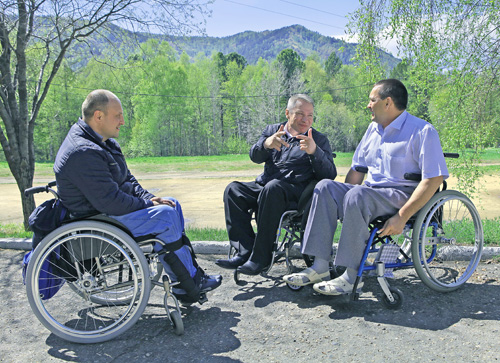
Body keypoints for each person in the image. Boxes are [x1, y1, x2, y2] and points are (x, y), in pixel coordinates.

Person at [54, 89, 221, 304]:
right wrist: (146, 204)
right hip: (98, 221)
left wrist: (151, 198)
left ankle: (187, 279)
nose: (122, 121)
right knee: (165, 218)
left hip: (108, 212)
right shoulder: (83, 152)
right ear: (98, 116)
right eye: (118, 116)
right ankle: (188, 283)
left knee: (172, 204)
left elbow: (128, 181)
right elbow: (110, 201)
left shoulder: (103, 142)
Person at [283, 79, 449, 295]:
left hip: (401, 195)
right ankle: (320, 267)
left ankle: (350, 276)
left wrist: (402, 216)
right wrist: (340, 203)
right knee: (325, 187)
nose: (368, 105)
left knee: (358, 195)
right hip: (369, 194)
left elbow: (433, 180)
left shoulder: (422, 131)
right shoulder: (373, 130)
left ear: (387, 102)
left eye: (372, 100)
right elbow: (357, 171)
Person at [216, 94, 337, 275]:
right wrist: (266, 144)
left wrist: (315, 152)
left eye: (310, 115)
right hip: (266, 185)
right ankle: (244, 251)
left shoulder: (318, 140)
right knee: (233, 190)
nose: (306, 119)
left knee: (273, 188)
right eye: (300, 114)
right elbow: (254, 157)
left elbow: (329, 175)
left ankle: (261, 259)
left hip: (295, 192)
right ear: (287, 113)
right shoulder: (273, 130)